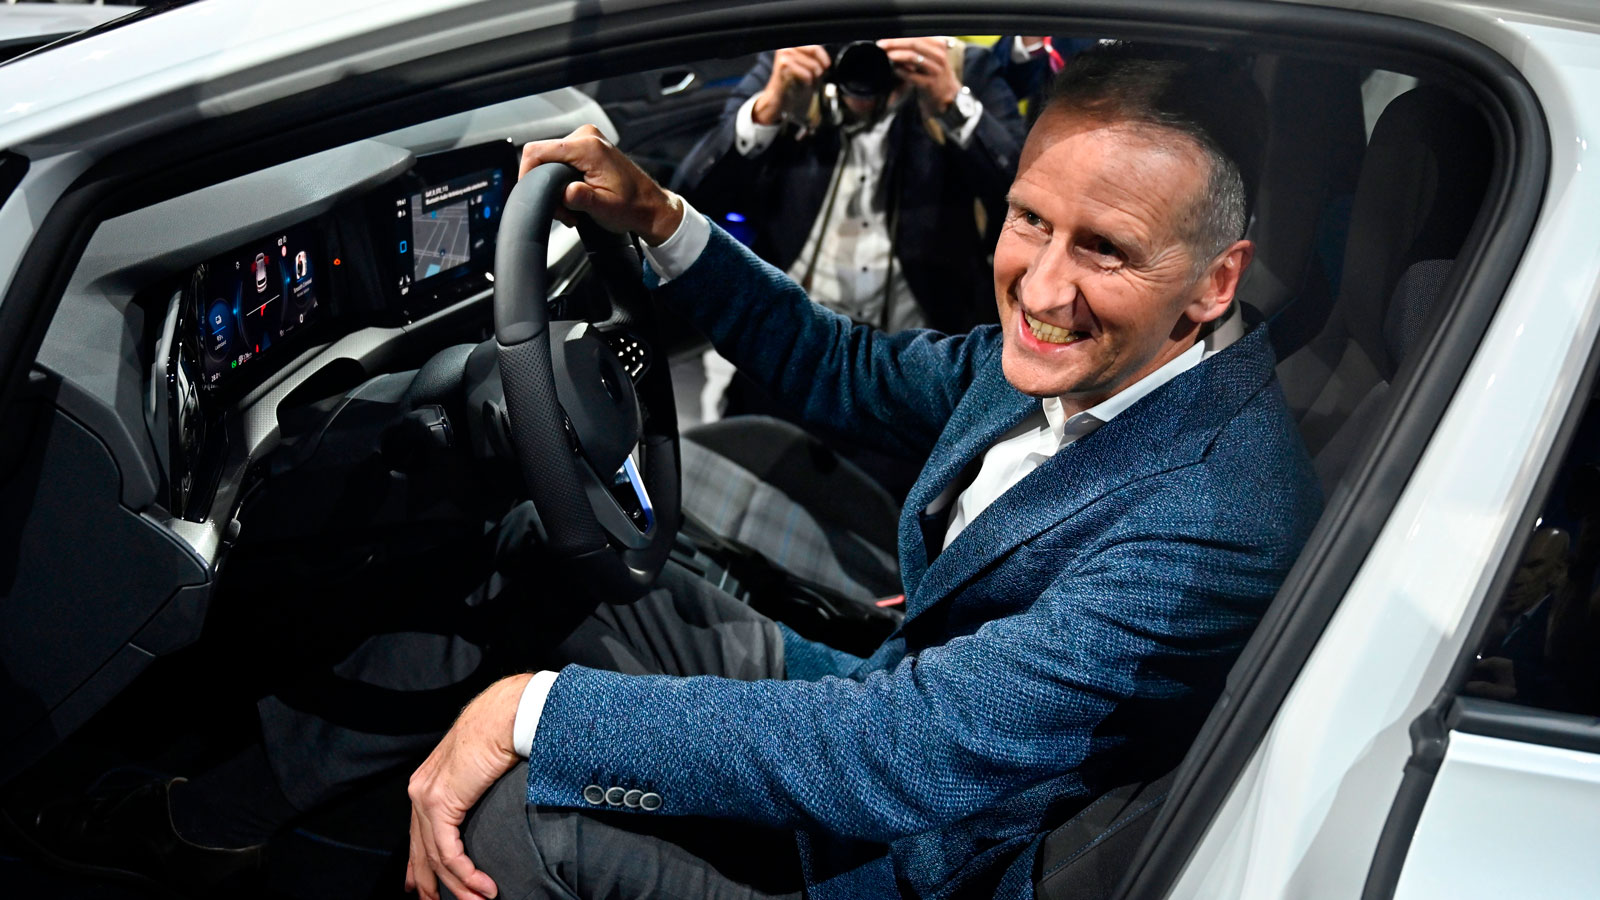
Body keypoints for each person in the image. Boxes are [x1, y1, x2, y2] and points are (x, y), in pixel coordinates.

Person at [405, 46, 1322, 900]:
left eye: (1105, 250)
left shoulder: (1216, 509)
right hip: (888, 702)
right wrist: (658, 216)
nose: (1041, 291)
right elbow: (842, 368)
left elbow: (907, 752)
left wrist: (534, 713)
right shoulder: (1099, 360)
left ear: (1214, 281)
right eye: (1031, 218)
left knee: (507, 830)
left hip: (927, 854)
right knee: (546, 562)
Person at [673, 39, 1024, 432]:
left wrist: (950, 105)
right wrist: (769, 107)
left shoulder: (962, 69)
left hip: (910, 361)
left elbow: (1023, 205)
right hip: (793, 338)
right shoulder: (792, 60)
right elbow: (693, 194)